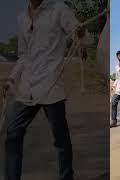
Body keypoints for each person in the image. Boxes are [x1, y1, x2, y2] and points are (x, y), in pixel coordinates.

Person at [1, 0, 85, 179]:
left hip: (51, 86)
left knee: (60, 139)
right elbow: (23, 56)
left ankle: (66, 177)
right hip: (27, 88)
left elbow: (80, 33)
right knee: (13, 133)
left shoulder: (59, 9)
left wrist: (80, 33)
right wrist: (12, 78)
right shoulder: (22, 18)